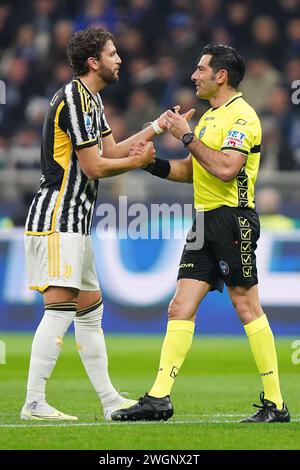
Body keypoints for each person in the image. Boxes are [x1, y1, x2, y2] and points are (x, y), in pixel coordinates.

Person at [111, 44, 290, 423]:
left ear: (220, 76)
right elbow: (194, 171)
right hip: (204, 221)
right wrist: (150, 163)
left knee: (245, 306)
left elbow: (226, 168)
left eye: (201, 69)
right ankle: (159, 398)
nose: (194, 76)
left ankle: (276, 403)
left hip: (233, 219)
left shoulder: (243, 117)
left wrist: (186, 136)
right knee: (179, 306)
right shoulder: (210, 117)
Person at [21, 26, 164, 421]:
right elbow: (95, 165)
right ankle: (33, 402)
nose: (120, 59)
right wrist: (138, 163)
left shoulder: (91, 101)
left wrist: (156, 126)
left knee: (90, 309)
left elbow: (111, 150)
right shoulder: (74, 98)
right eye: (113, 53)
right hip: (58, 216)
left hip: (76, 221)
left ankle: (109, 400)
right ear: (94, 61)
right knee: (60, 308)